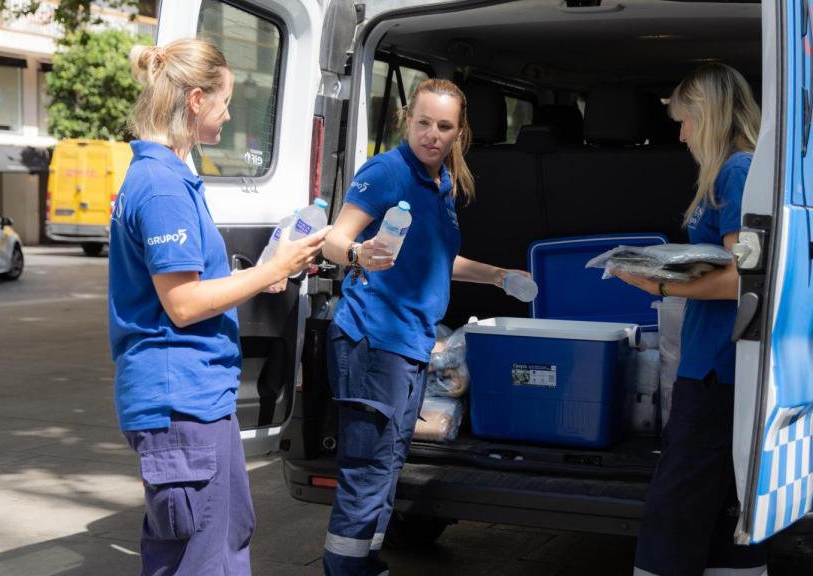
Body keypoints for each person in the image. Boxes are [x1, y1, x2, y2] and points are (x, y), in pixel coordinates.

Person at [109, 39, 328, 575]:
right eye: (226, 102)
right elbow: (182, 304)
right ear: (196, 100)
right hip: (181, 401)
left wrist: (248, 280)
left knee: (211, 547)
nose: (229, 116)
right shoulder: (162, 187)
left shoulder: (170, 177)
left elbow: (185, 285)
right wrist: (269, 270)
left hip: (194, 399)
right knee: (201, 560)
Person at [320, 78, 529, 576]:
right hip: (373, 340)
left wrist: (499, 276)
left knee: (388, 466)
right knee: (367, 471)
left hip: (411, 342)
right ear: (405, 121)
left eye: (444, 126)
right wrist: (357, 253)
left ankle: (366, 563)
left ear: (459, 133)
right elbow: (334, 240)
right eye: (423, 123)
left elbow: (440, 257)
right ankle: (344, 569)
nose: (432, 135)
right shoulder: (387, 172)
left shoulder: (442, 184)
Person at [613, 64, 767, 576]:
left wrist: (658, 283)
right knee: (725, 513)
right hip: (719, 364)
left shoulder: (735, 173)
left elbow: (742, 279)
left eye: (685, 120)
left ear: (710, 115)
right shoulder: (739, 170)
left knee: (674, 511)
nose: (679, 133)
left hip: (717, 367)